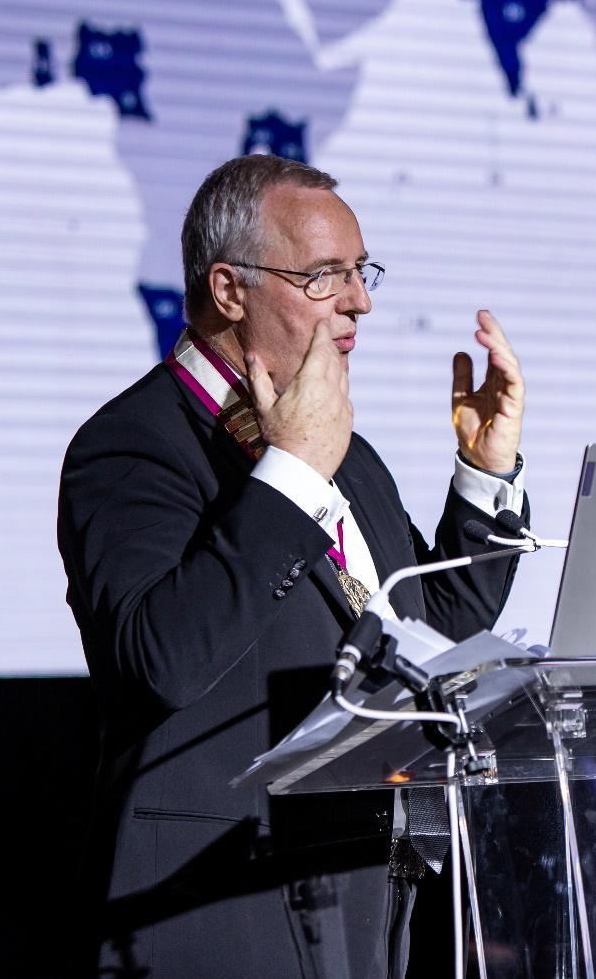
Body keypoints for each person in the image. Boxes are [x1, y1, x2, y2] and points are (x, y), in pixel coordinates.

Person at [57, 154, 528, 978]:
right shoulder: (134, 444)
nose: (359, 300)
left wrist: (483, 474)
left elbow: (428, 635)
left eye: (360, 271)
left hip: (356, 890)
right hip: (212, 909)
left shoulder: (348, 453)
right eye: (323, 275)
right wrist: (292, 475)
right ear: (229, 290)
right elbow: (159, 660)